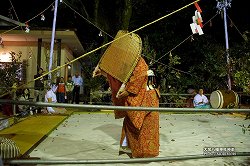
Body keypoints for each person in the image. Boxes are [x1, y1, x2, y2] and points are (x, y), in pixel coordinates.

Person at [92, 30, 160, 158]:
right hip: (140, 96)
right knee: (130, 122)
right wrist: (102, 71)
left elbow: (139, 77)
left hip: (147, 97)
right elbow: (117, 76)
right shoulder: (128, 62)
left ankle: (144, 152)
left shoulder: (139, 62)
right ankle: (129, 149)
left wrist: (128, 90)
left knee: (143, 126)